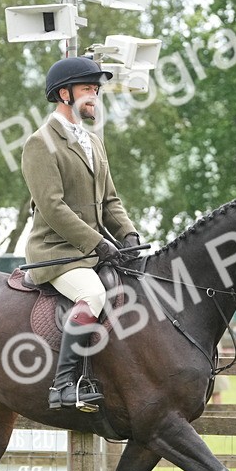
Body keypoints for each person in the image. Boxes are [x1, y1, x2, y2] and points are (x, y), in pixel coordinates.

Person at [22, 56, 140, 412]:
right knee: (92, 294)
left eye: (97, 90)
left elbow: (110, 201)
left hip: (93, 250)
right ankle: (64, 386)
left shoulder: (94, 142)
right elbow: (53, 208)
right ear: (64, 93)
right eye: (89, 89)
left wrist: (129, 236)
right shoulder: (40, 143)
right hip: (57, 253)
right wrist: (98, 242)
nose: (95, 96)